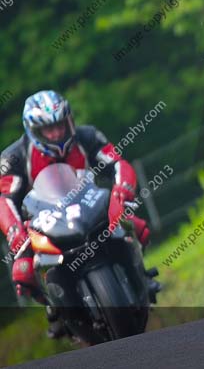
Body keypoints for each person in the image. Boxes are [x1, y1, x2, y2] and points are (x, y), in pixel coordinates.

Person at [0, 90, 150, 337]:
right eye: (49, 129)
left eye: (60, 125)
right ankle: (55, 310)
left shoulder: (88, 136)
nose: (57, 133)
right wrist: (15, 233)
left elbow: (117, 163)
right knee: (23, 271)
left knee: (138, 226)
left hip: (94, 210)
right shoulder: (13, 158)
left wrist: (122, 190)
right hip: (46, 226)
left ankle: (141, 277)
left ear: (69, 119)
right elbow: (5, 200)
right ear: (33, 131)